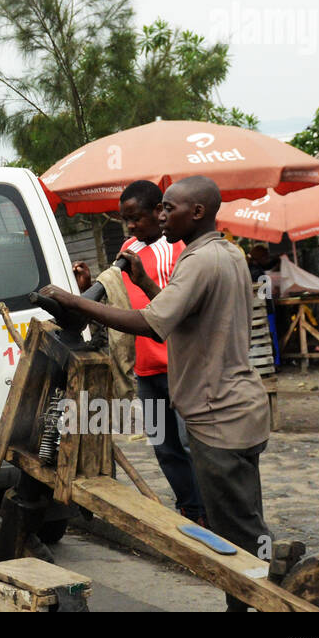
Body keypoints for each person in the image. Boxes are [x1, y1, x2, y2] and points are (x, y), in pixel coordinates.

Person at [40, 176, 272, 611]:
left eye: (169, 209)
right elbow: (180, 316)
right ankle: (259, 594)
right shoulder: (227, 253)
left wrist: (75, 303)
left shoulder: (198, 260)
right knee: (247, 524)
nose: (161, 217)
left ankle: (256, 602)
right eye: (160, 209)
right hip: (242, 408)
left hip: (217, 415)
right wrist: (145, 282)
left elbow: (149, 323)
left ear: (197, 212)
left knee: (235, 537)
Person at [109, 180, 205, 526]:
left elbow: (170, 305)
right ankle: (191, 511)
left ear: (158, 212)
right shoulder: (128, 247)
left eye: (136, 218)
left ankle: (211, 513)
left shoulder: (174, 249)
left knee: (190, 443)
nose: (131, 226)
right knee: (165, 448)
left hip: (177, 365)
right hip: (146, 368)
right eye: (126, 220)